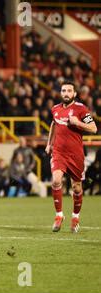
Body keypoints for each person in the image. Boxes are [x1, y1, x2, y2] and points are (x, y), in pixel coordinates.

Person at [45, 81, 97, 233]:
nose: (66, 93)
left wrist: (78, 123)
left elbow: (93, 128)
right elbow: (53, 125)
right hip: (59, 152)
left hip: (76, 155)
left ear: (74, 94)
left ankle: (75, 217)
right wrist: (49, 144)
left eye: (69, 91)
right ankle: (59, 215)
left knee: (77, 188)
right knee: (55, 181)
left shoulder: (81, 109)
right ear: (60, 93)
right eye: (63, 90)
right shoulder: (55, 109)